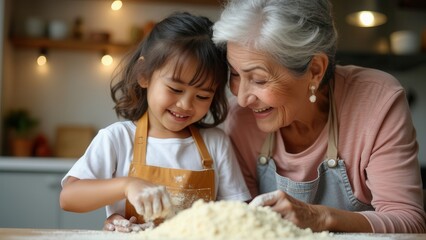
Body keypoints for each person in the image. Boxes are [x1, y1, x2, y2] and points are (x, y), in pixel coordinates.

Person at [212, 0, 426, 233]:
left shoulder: (377, 101)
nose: (242, 98)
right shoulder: (241, 119)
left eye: (259, 79)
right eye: (234, 74)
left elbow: (409, 222)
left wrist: (319, 217)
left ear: (315, 70)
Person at [60, 12, 251, 232]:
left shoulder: (216, 143)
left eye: (202, 96)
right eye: (175, 89)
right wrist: (126, 185)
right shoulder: (117, 139)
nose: (185, 105)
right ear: (144, 74)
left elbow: (240, 215)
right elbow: (69, 197)